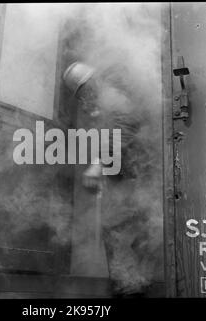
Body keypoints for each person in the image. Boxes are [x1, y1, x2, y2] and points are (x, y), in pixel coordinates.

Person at [63, 62, 162, 297]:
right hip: (124, 180)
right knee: (119, 238)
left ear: (89, 82)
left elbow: (123, 128)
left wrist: (98, 165)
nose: (84, 100)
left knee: (124, 239)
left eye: (83, 92)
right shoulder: (103, 98)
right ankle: (128, 288)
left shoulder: (111, 91)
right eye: (80, 96)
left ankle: (131, 289)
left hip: (134, 179)